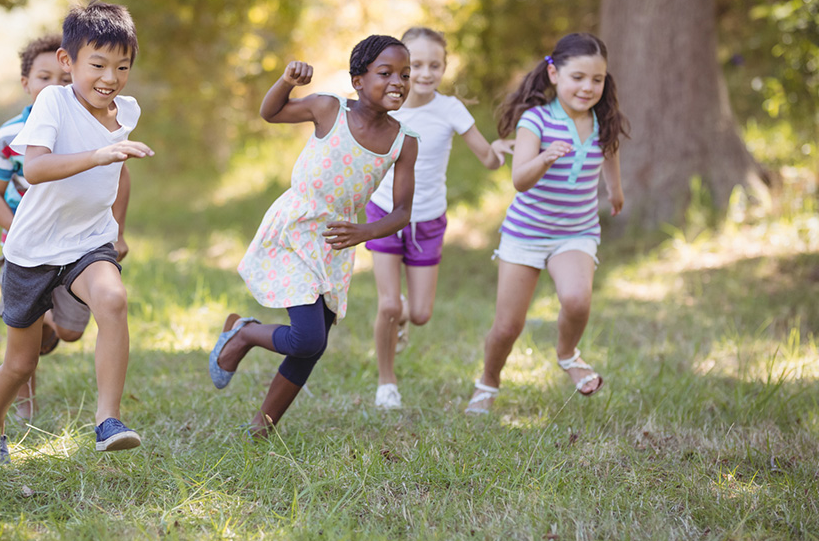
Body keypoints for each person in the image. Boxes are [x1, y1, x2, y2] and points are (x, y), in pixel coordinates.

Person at [208, 35, 419, 437]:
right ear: (358, 80)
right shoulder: (329, 108)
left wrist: (365, 232)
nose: (398, 82)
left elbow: (403, 212)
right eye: (386, 73)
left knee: (314, 344)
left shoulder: (404, 141)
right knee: (306, 337)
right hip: (295, 228)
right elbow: (271, 112)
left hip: (336, 241)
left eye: (405, 75)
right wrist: (287, 81)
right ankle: (246, 333)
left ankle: (262, 427)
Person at [0, 0, 154, 463]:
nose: (110, 78)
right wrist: (97, 155)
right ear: (67, 62)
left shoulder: (126, 113)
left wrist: (117, 229)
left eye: (122, 66)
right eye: (97, 64)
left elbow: (119, 175)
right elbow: (34, 168)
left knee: (113, 299)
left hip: (88, 242)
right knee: (20, 364)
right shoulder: (53, 101)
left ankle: (107, 420)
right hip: (31, 250)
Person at [465, 32, 628, 415]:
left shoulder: (603, 121)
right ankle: (487, 383)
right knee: (507, 327)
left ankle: (568, 355)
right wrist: (544, 159)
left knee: (576, 300)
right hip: (526, 234)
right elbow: (519, 179)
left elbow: (611, 155)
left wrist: (616, 192)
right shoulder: (535, 120)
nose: (588, 87)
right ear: (554, 74)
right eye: (578, 77)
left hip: (577, 231)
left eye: (597, 79)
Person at [365, 27, 514, 409]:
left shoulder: (449, 109)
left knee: (419, 314)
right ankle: (387, 384)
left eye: (436, 65)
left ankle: (400, 314)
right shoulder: (384, 105)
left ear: (445, 67)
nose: (426, 73)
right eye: (416, 65)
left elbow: (487, 158)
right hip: (384, 212)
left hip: (427, 219)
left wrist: (499, 150)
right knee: (389, 306)